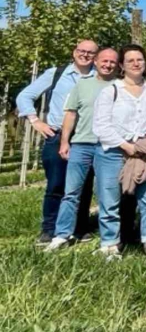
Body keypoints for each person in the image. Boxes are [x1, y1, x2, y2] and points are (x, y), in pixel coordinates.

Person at [16, 39, 97, 245]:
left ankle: (79, 228)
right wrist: (36, 122)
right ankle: (49, 229)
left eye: (90, 52)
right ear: (74, 52)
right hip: (57, 135)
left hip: (86, 137)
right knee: (56, 184)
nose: (85, 55)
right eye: (82, 51)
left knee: (85, 184)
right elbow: (25, 97)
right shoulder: (56, 74)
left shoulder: (100, 75)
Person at [91, 44, 146, 259]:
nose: (136, 63)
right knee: (110, 201)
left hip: (144, 153)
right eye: (130, 60)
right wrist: (127, 146)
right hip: (113, 152)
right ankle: (110, 245)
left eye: (140, 60)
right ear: (122, 66)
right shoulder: (111, 91)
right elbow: (101, 126)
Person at [43, 48, 117, 252]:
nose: (108, 64)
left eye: (112, 62)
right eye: (104, 61)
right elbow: (71, 115)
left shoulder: (120, 87)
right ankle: (61, 234)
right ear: (96, 62)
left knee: (107, 194)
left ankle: (109, 240)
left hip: (109, 146)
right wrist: (65, 141)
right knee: (71, 193)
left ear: (117, 65)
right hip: (81, 144)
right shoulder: (81, 85)